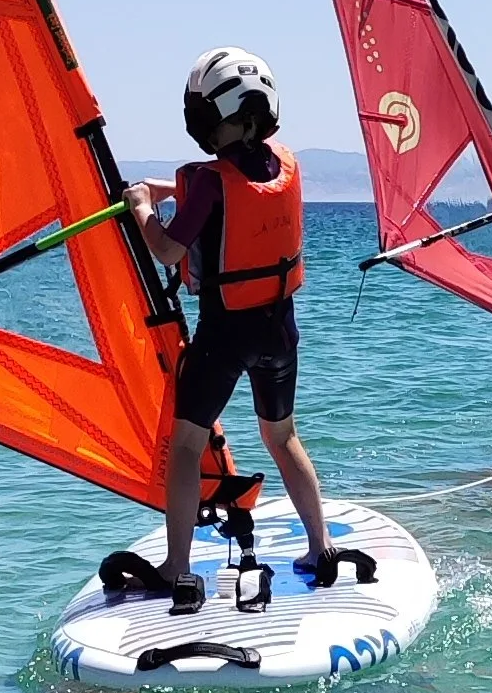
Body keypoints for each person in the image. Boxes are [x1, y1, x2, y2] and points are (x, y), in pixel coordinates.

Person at [106, 49, 373, 612]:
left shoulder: (208, 180)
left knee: (184, 447)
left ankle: (177, 569)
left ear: (222, 117)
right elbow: (227, 191)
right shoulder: (285, 163)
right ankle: (320, 548)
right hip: (280, 331)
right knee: (282, 438)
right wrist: (167, 189)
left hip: (225, 333)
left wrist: (139, 208)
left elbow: (168, 248)